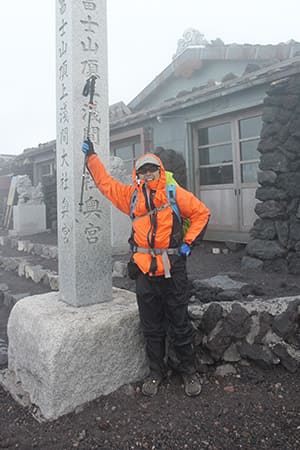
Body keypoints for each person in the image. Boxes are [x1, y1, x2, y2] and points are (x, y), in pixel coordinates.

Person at [82, 139, 211, 397]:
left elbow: (201, 213)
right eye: (143, 170)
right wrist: (92, 159)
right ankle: (156, 373)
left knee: (179, 323)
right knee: (151, 326)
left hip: (173, 270)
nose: (148, 173)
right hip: (144, 273)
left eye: (152, 169)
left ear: (159, 170)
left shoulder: (173, 193)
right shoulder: (131, 197)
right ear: (137, 174)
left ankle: (188, 371)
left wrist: (187, 244)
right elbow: (106, 184)